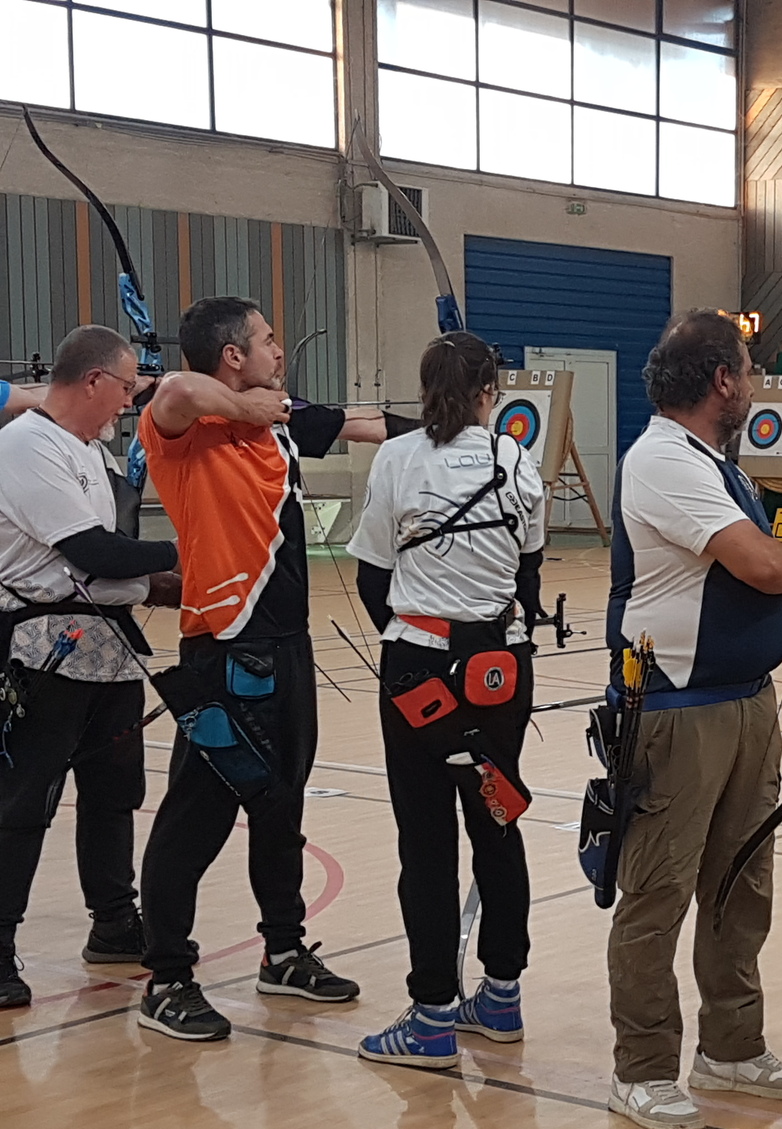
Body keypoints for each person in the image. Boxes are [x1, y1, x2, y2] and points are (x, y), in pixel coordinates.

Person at [604, 309, 782, 1129]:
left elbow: (753, 594)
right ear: (722, 379)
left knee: (741, 883)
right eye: (749, 372)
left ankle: (730, 1046)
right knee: (659, 892)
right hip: (677, 711)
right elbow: (764, 567)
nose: (753, 385)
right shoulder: (661, 458)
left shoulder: (718, 470)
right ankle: (642, 1068)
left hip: (746, 703)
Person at [134, 296, 397, 1041]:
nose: (279, 351)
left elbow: (363, 423)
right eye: (268, 340)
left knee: (282, 808)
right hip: (223, 646)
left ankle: (283, 951)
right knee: (197, 814)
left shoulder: (276, 422)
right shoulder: (183, 429)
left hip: (286, 645)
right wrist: (255, 410)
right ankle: (167, 977)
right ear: (232, 356)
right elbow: (176, 389)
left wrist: (456, 425)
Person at [345, 331, 546, 1067]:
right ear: (490, 392)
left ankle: (432, 1018)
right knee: (498, 821)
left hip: (420, 671)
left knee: (426, 843)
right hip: (501, 668)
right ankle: (501, 996)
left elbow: (373, 576)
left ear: (427, 389)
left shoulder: (398, 458)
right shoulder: (516, 458)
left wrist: (412, 641)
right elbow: (529, 574)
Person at [0, 325, 181, 1007]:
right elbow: (95, 554)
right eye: (127, 387)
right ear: (94, 380)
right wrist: (191, 549)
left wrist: (152, 579)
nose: (129, 401)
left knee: (113, 793)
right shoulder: (25, 444)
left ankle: (113, 923)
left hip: (107, 651)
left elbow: (109, 559)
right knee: (24, 802)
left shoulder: (89, 451)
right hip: (40, 649)